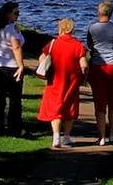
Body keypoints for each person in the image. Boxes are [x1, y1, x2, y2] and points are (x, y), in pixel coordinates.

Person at [36, 16, 88, 148]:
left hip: (55, 80)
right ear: (72, 30)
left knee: (55, 107)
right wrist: (85, 77)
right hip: (72, 81)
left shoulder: (53, 43)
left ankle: (56, 136)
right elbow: (84, 64)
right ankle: (66, 136)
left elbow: (42, 57)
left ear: (61, 28)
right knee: (69, 108)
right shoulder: (78, 45)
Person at [84, 0, 113, 146]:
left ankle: (101, 137)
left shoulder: (92, 28)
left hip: (97, 66)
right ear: (111, 13)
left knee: (99, 101)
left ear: (99, 12)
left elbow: (90, 45)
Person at [0, 1, 26, 137]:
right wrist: (21, 66)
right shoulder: (11, 29)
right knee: (15, 100)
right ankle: (15, 128)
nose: (18, 16)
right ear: (8, 14)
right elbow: (16, 47)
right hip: (11, 67)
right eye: (16, 13)